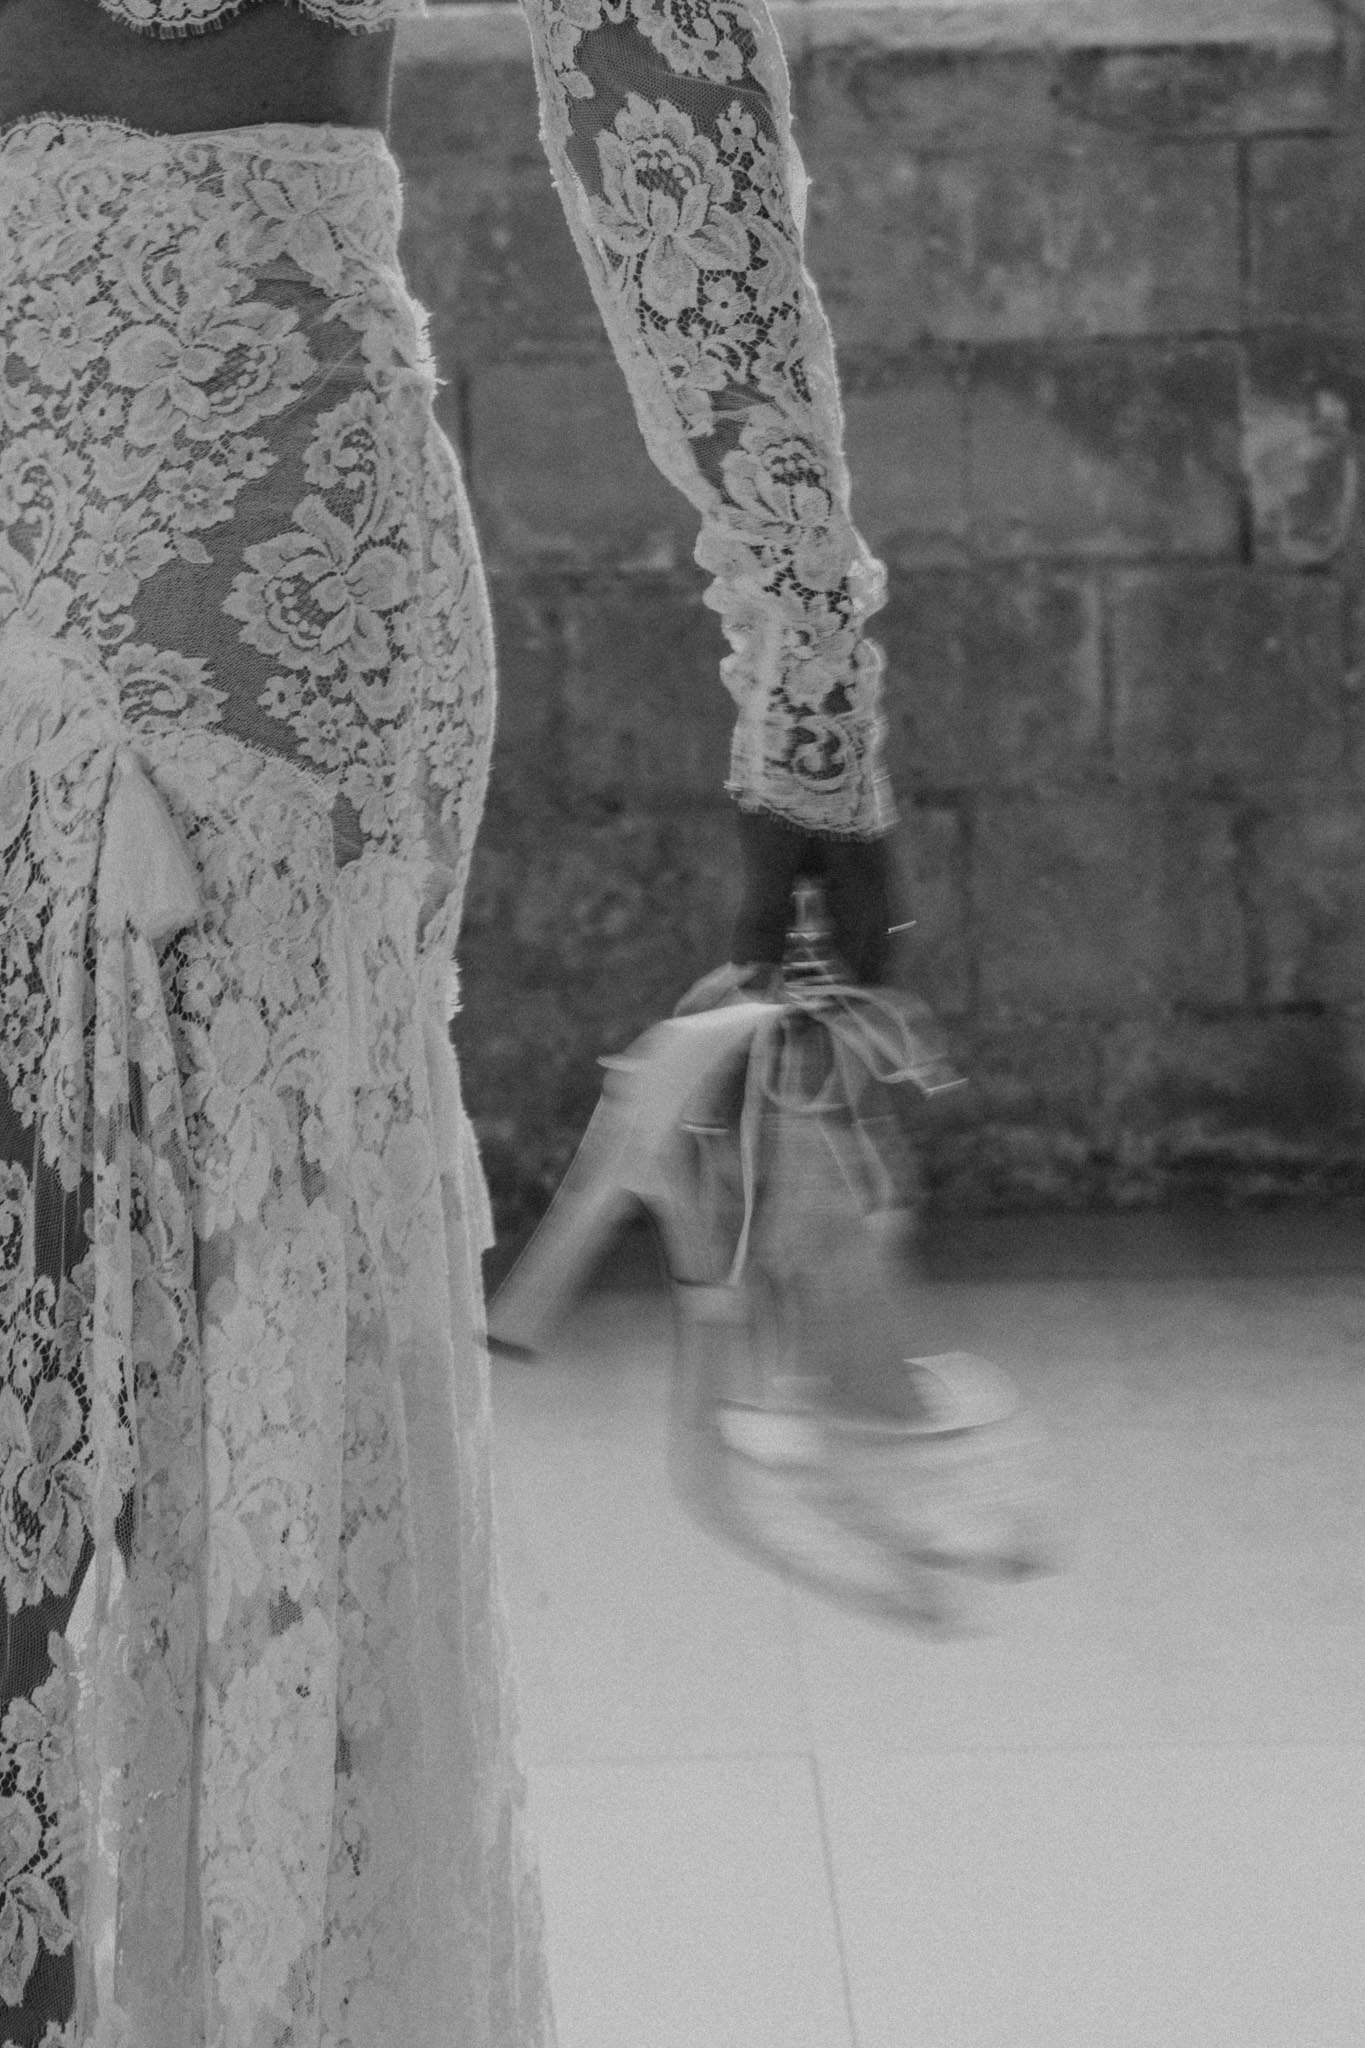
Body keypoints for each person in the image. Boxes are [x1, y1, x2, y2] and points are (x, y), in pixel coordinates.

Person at [0, 0, 900, 2041]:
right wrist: (806, 696)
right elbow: (658, 65)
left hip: (239, 566)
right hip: (251, 531)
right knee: (267, 1455)